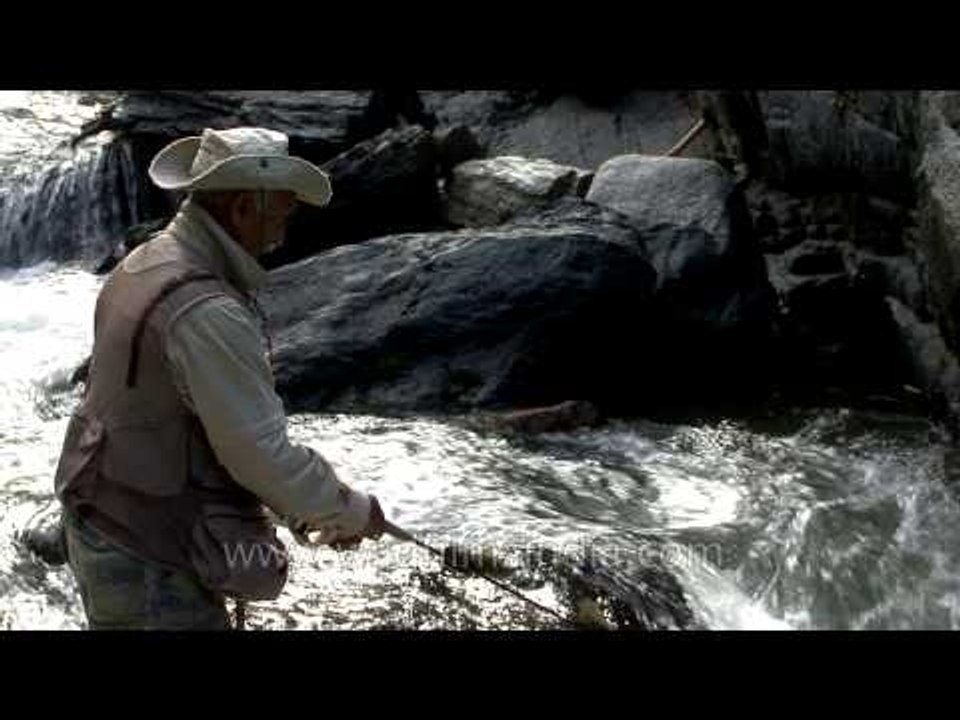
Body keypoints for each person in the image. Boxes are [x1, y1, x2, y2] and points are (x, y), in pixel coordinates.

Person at [52, 126, 386, 630]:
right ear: (242, 208)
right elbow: (258, 453)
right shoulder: (208, 312)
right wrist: (348, 510)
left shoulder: (143, 262)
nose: (288, 218)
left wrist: (302, 509)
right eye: (282, 204)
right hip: (150, 549)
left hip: (102, 516)